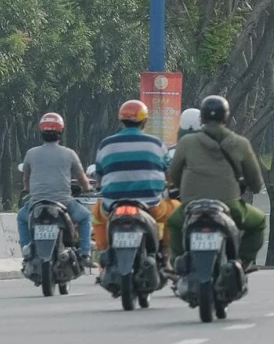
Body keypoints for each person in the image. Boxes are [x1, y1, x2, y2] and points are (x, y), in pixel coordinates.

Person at [167, 95, 267, 269]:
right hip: (230, 207)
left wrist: (182, 189)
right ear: (226, 117)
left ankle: (178, 261)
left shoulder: (186, 142)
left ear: (202, 119)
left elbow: (173, 175)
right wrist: (246, 185)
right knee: (258, 221)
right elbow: (256, 183)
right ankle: (242, 262)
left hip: (192, 206)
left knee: (173, 222)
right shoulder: (240, 143)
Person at [93, 99, 173, 254]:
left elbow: (99, 176)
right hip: (151, 205)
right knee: (174, 210)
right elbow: (168, 173)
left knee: (96, 213)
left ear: (121, 120)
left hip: (112, 205)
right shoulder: (156, 144)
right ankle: (165, 256)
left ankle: (103, 252)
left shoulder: (106, 144)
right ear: (144, 121)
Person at [17, 112, 93, 263]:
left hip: (36, 203)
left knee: (21, 217)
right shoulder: (69, 154)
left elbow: (26, 178)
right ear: (61, 132)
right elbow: (82, 178)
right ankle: (85, 253)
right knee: (85, 217)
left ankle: (26, 248)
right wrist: (88, 188)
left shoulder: (31, 154)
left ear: (41, 132)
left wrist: (28, 189)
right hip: (64, 203)